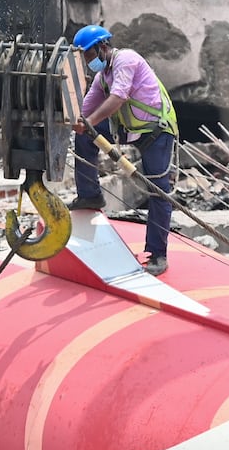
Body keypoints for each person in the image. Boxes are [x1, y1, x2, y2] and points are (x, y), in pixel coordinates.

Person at [69, 25, 179, 276]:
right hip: (130, 130)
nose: (88, 61)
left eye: (88, 55)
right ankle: (90, 194)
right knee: (85, 137)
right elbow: (85, 113)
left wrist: (89, 122)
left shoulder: (126, 60)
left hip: (156, 132)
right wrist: (72, 122)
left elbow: (118, 97)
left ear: (102, 47)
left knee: (159, 191)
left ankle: (157, 254)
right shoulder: (101, 78)